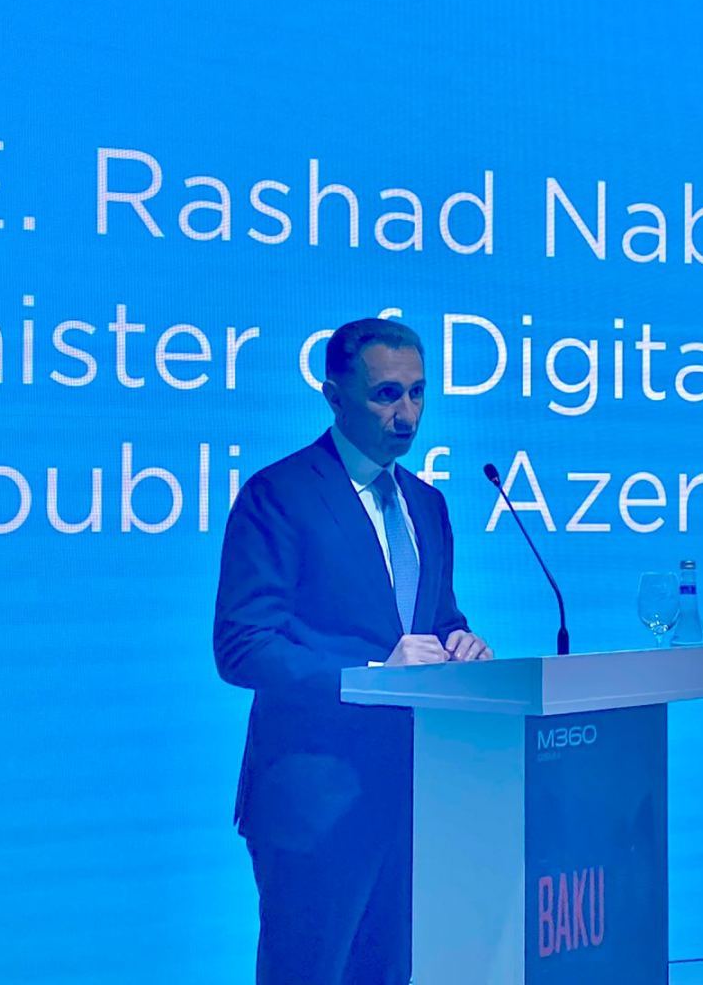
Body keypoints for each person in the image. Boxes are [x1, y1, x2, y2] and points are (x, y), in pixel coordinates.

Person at [213, 317, 493, 985]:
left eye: (418, 392)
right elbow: (242, 645)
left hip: (412, 799)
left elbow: (434, 619)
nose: (407, 414)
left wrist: (462, 644)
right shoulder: (279, 495)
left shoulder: (426, 504)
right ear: (334, 397)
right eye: (386, 394)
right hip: (315, 801)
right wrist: (370, 676)